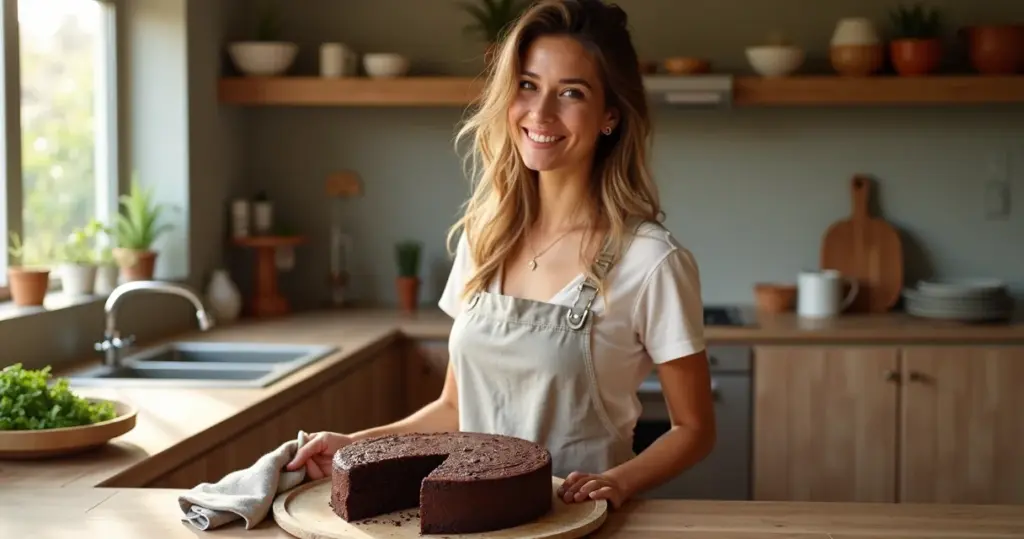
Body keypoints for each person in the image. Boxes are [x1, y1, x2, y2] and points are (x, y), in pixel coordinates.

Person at [287, 0, 716, 509]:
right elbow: (454, 407)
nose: (541, 112)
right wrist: (355, 446)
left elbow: (694, 428)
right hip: (474, 518)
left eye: (571, 93)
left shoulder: (650, 261)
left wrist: (620, 482)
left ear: (609, 116)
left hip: (579, 524)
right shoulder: (486, 237)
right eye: (528, 85)